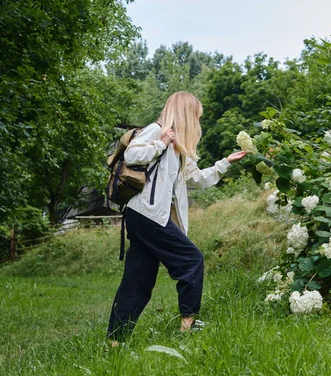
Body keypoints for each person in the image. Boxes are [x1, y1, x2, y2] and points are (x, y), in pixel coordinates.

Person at [106, 91, 247, 346]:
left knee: (138, 280)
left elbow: (197, 179)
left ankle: (116, 341)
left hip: (144, 216)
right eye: (196, 115)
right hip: (146, 214)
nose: (198, 122)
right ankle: (188, 326)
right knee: (191, 260)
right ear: (185, 113)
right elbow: (132, 155)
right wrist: (161, 142)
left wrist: (226, 162)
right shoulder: (156, 130)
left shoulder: (180, 149)